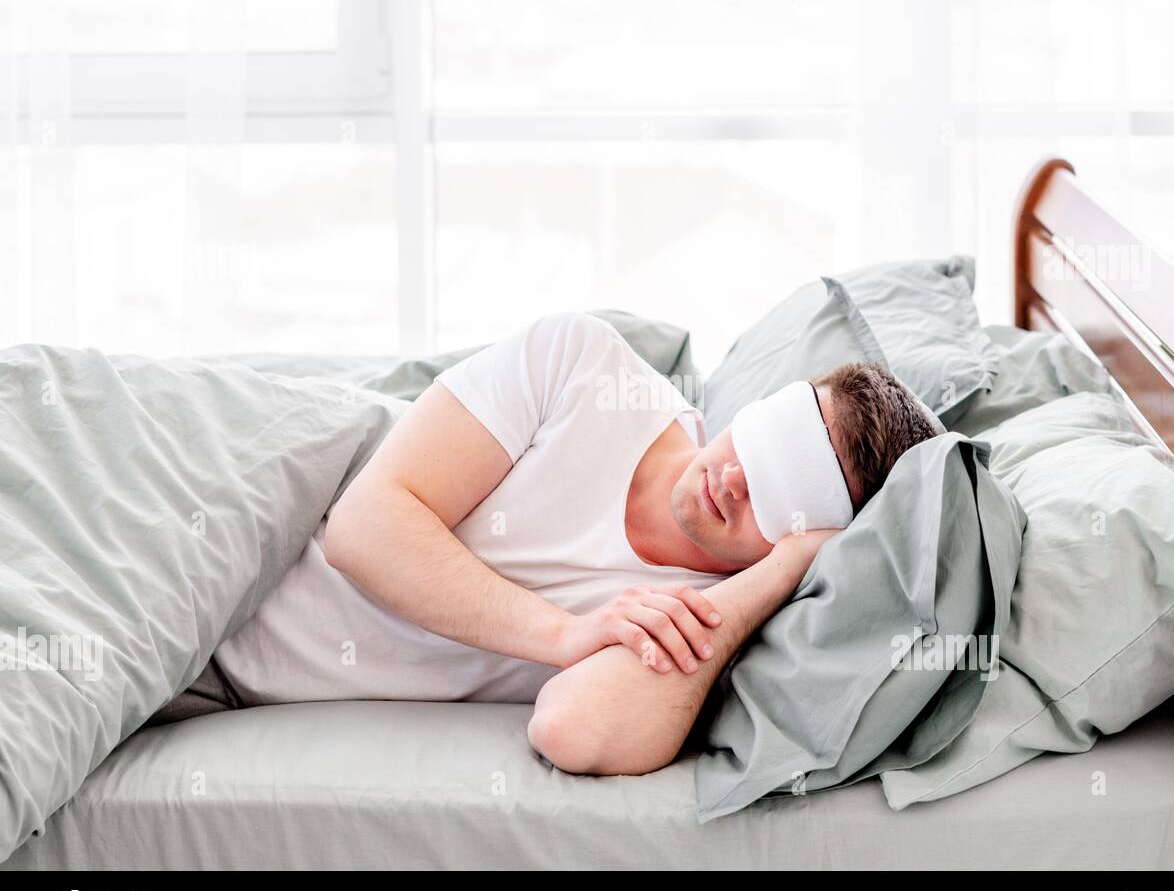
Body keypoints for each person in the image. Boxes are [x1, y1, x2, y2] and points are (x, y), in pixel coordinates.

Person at [208, 312, 937, 775]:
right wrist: (565, 634)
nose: (738, 481)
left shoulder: (710, 616)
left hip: (216, 678)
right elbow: (362, 529)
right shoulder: (581, 363)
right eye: (770, 440)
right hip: (218, 554)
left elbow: (574, 730)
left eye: (784, 497)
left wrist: (776, 576)